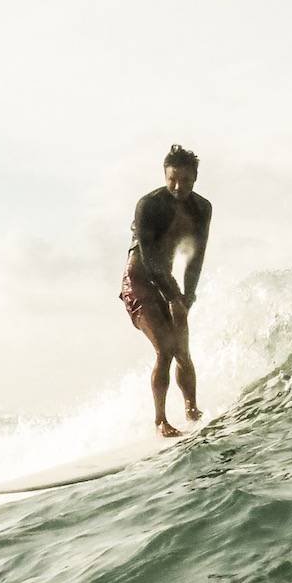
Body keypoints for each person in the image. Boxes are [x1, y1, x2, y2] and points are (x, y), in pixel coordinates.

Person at [120, 144, 213, 436]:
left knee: (183, 350)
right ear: (164, 175)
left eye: (185, 180)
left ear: (195, 178)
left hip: (168, 281)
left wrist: (188, 297)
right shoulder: (148, 205)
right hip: (139, 279)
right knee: (165, 349)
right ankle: (160, 421)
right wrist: (173, 297)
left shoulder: (201, 208)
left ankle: (191, 409)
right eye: (172, 178)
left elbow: (196, 257)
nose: (177, 186)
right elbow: (149, 258)